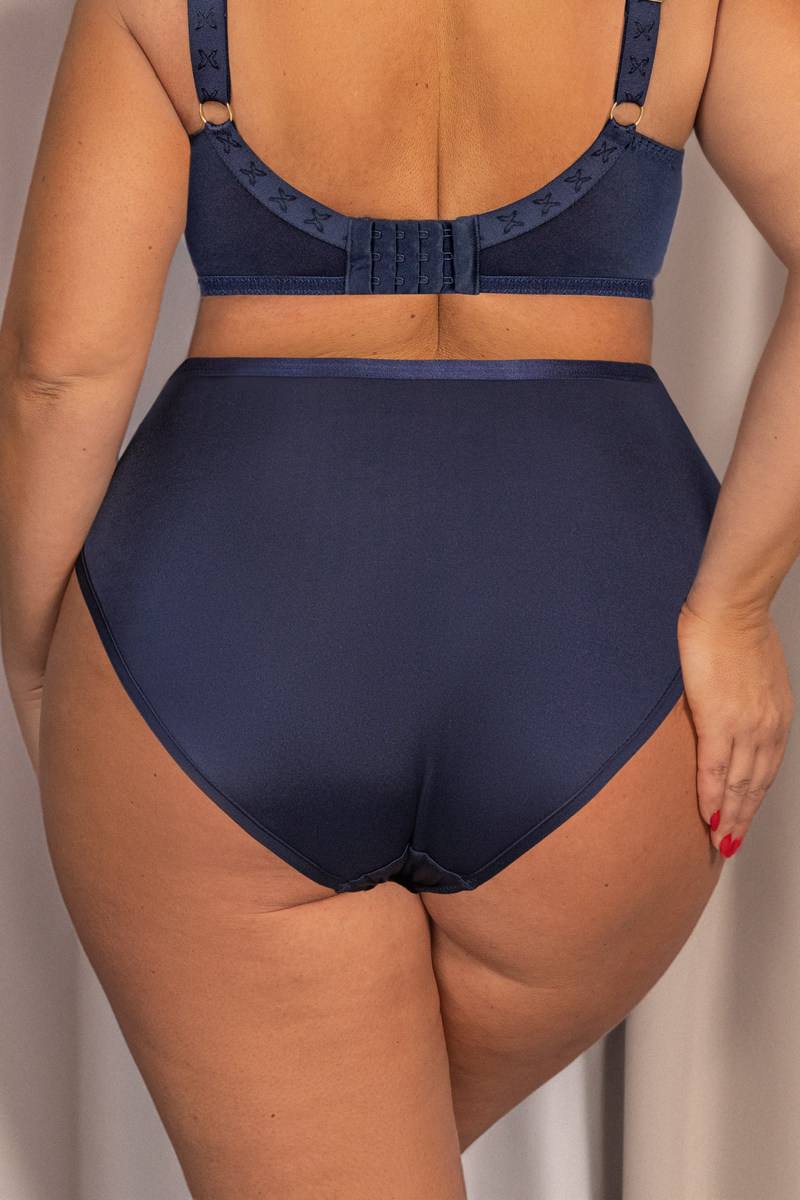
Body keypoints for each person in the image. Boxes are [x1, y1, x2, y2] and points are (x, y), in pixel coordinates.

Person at [0, 0, 797, 1195]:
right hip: (599, 664)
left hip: (221, 643)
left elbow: (56, 375)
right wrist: (731, 604)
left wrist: (38, 665)